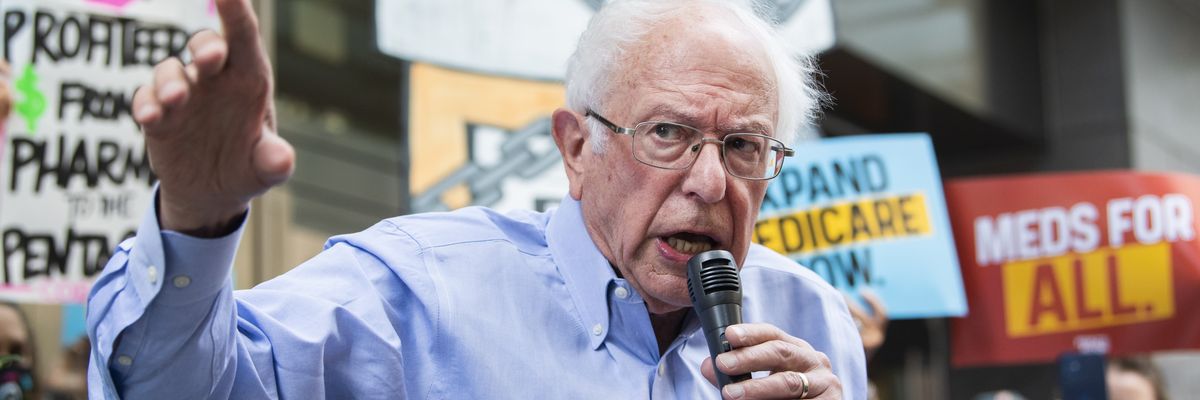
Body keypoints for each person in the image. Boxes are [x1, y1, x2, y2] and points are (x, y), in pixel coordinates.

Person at [85, 0, 867, 398]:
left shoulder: (814, 320)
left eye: (743, 147)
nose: (708, 181)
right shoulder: (416, 289)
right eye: (667, 133)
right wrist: (195, 220)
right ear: (574, 147)